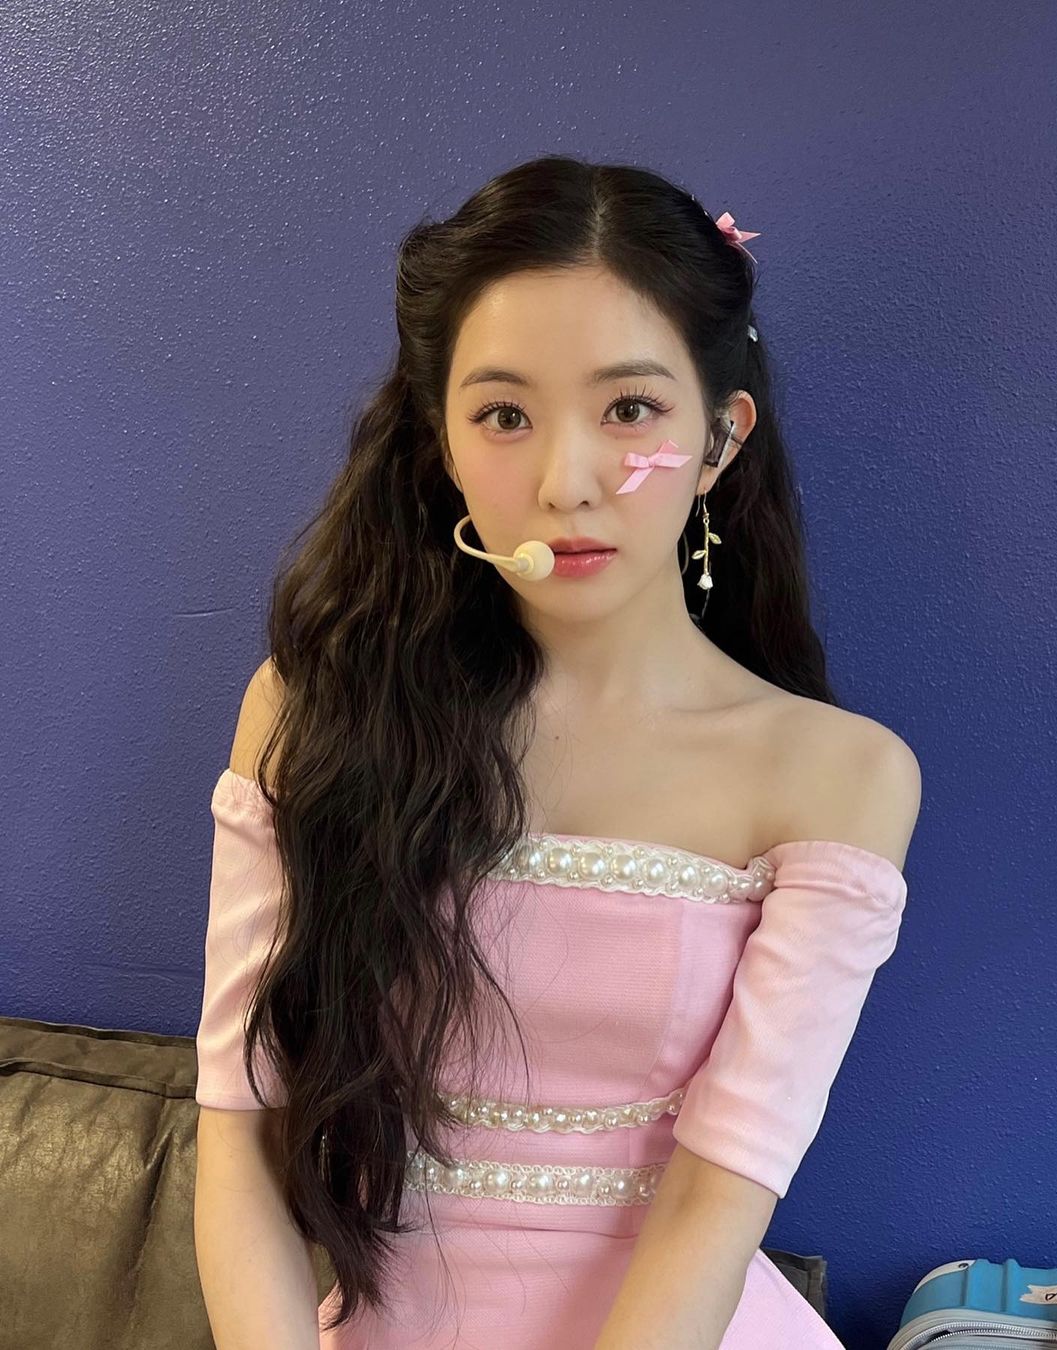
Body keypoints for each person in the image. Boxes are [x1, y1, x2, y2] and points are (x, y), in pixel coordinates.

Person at [193, 153, 922, 1349]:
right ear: (441, 441)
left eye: (630, 409)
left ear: (719, 438)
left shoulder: (841, 777)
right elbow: (241, 1135)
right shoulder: (310, 712)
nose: (564, 481)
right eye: (504, 415)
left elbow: (715, 1198)